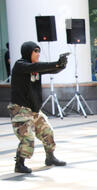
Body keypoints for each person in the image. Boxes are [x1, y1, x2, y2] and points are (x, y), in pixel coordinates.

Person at [8, 41, 68, 174]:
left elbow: (51, 69)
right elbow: (41, 66)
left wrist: (61, 65)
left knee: (48, 132)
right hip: (20, 109)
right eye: (35, 51)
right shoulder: (20, 65)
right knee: (27, 138)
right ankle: (19, 164)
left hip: (34, 110)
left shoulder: (35, 68)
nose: (38, 54)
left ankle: (50, 158)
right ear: (28, 52)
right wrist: (56, 63)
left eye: (38, 51)